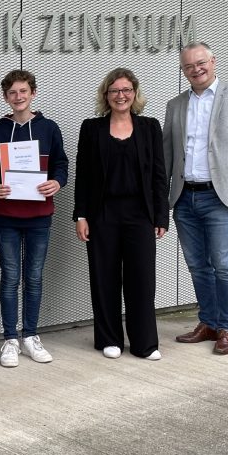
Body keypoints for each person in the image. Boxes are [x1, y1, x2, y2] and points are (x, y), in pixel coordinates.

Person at [163, 42, 228, 355]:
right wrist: (158, 197)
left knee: (224, 265)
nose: (196, 69)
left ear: (213, 61)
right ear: (183, 70)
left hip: (222, 196)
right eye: (189, 66)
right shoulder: (175, 104)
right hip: (184, 197)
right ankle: (208, 322)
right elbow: (167, 153)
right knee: (197, 265)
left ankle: (227, 328)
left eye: (201, 62)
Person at [73, 68, 168, 360]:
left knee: (142, 279)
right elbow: (83, 176)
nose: (121, 96)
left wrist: (162, 216)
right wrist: (81, 215)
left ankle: (145, 343)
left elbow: (159, 175)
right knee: (104, 277)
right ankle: (109, 338)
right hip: (102, 214)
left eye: (126, 90)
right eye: (114, 91)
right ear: (106, 95)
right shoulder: (91, 128)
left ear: (135, 94)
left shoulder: (150, 127)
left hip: (140, 214)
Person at [0, 70, 68, 368]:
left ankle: (30, 335)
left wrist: (57, 182)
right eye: (12, 93)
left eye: (23, 91)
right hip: (6, 215)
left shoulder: (49, 128)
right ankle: (10, 339)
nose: (18, 97)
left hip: (40, 215)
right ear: (5, 97)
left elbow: (61, 164)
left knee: (33, 277)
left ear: (33, 93)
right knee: (10, 277)